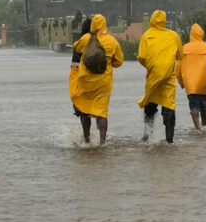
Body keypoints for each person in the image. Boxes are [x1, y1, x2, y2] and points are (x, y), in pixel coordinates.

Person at [70, 14, 124, 145]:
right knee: (101, 113)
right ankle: (102, 142)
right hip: (103, 83)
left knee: (84, 110)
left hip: (86, 82)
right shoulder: (112, 41)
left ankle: (86, 140)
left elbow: (76, 48)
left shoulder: (86, 39)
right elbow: (119, 62)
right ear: (105, 25)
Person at [137, 10, 184, 143]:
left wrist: (151, 66)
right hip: (169, 77)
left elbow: (141, 57)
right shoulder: (174, 36)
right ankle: (169, 139)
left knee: (150, 104)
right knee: (169, 105)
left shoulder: (147, 35)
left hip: (153, 75)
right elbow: (180, 56)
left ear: (151, 20)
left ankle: (147, 136)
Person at [176, 23, 206, 129]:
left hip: (190, 85)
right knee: (204, 105)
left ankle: (197, 128)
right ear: (202, 34)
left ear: (191, 35)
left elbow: (177, 70)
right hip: (204, 84)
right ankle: (204, 125)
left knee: (193, 106)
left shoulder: (184, 48)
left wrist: (183, 84)